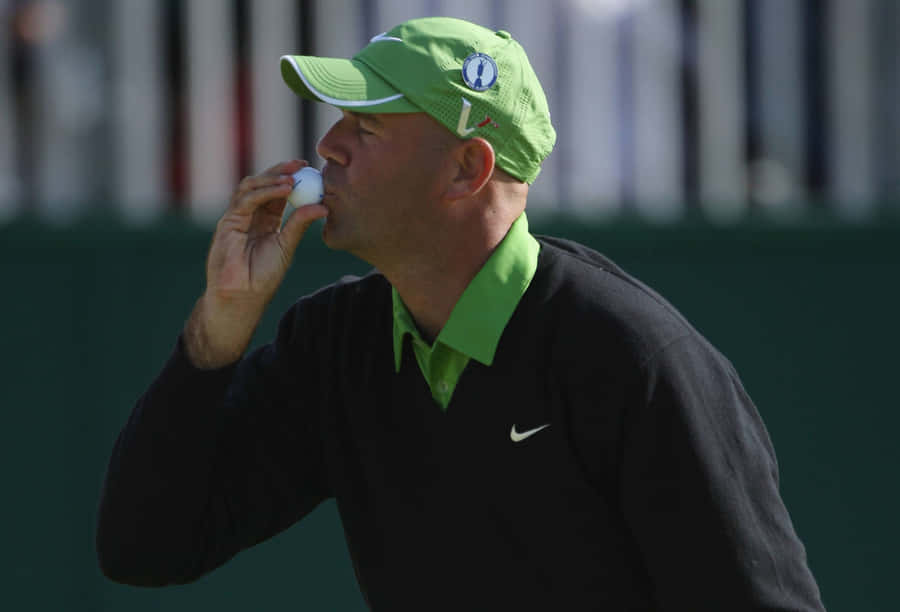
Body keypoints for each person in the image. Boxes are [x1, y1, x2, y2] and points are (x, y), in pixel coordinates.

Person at [96, 16, 825, 611]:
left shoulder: (632, 357)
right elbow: (148, 547)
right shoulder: (334, 344)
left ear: (466, 169)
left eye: (368, 127)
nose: (328, 147)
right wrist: (221, 322)